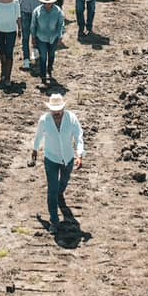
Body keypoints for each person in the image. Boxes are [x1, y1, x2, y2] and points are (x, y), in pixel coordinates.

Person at [29, 94, 84, 229]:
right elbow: (38, 136)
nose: (57, 114)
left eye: (59, 111)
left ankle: (60, 194)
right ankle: (54, 220)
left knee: (63, 182)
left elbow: (78, 136)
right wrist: (35, 150)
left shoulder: (71, 119)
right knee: (52, 189)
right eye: (54, 111)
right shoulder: (44, 120)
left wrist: (79, 155)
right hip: (51, 158)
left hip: (68, 158)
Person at [30, 0, 67, 87]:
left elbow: (60, 24)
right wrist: (33, 37)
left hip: (53, 37)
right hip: (41, 37)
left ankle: (49, 69)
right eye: (45, 2)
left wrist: (60, 36)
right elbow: (33, 25)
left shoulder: (58, 11)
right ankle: (43, 76)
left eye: (49, 2)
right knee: (43, 57)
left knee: (51, 54)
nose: (47, 4)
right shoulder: (37, 11)